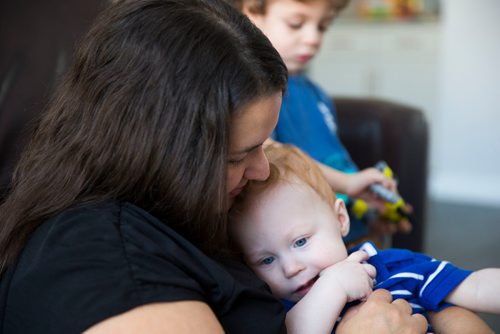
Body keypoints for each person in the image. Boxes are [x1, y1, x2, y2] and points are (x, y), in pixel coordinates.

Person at [0, 0, 428, 333]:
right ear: (160, 149)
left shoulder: (188, 208)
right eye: (238, 156)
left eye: (263, 146)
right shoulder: (105, 262)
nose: (262, 171)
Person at [229, 143, 499, 333]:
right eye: (266, 259)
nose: (291, 268)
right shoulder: (279, 309)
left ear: (340, 220)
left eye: (300, 242)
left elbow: (473, 286)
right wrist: (333, 286)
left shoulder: (391, 265)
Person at [226, 0, 412, 244]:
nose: (313, 38)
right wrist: (348, 183)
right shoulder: (257, 97)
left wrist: (370, 209)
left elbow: (336, 161)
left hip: (350, 230)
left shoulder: (317, 95)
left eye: (322, 27)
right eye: (296, 24)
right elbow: (271, 153)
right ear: (252, 13)